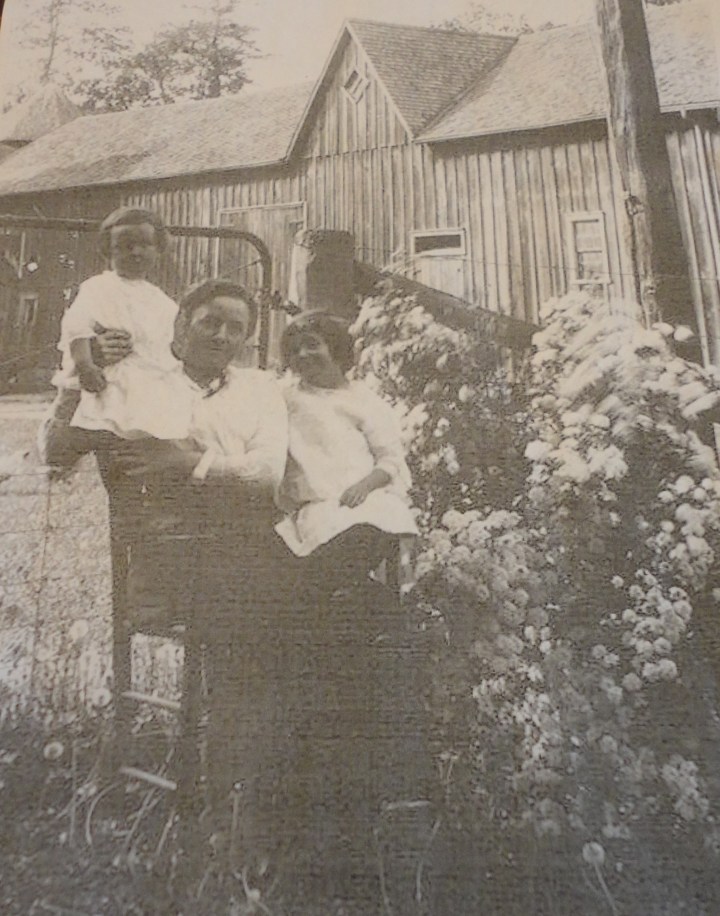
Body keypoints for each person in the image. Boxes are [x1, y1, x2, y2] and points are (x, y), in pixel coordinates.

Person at [41, 279, 290, 875]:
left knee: (302, 624)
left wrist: (191, 462)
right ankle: (232, 814)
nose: (223, 336)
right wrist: (79, 375)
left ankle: (255, 801)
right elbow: (57, 451)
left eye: (236, 327)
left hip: (245, 552)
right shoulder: (139, 383)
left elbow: (269, 472)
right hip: (169, 563)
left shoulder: (259, 389)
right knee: (255, 631)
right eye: (211, 323)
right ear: (180, 327)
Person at [274, 311, 424, 903]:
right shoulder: (283, 396)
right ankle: (335, 598)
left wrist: (371, 481)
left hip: (363, 503)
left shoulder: (365, 401)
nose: (307, 358)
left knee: (368, 535)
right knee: (323, 551)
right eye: (298, 349)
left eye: (317, 348)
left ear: (341, 353)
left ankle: (328, 596)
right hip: (315, 508)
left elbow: (393, 460)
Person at [51, 206, 189, 443]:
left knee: (141, 440)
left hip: (144, 386)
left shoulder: (161, 301)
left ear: (158, 250)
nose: (136, 252)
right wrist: (85, 366)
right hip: (103, 381)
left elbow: (168, 344)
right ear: (109, 251)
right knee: (94, 436)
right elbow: (77, 327)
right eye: (124, 246)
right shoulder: (98, 288)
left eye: (145, 245)